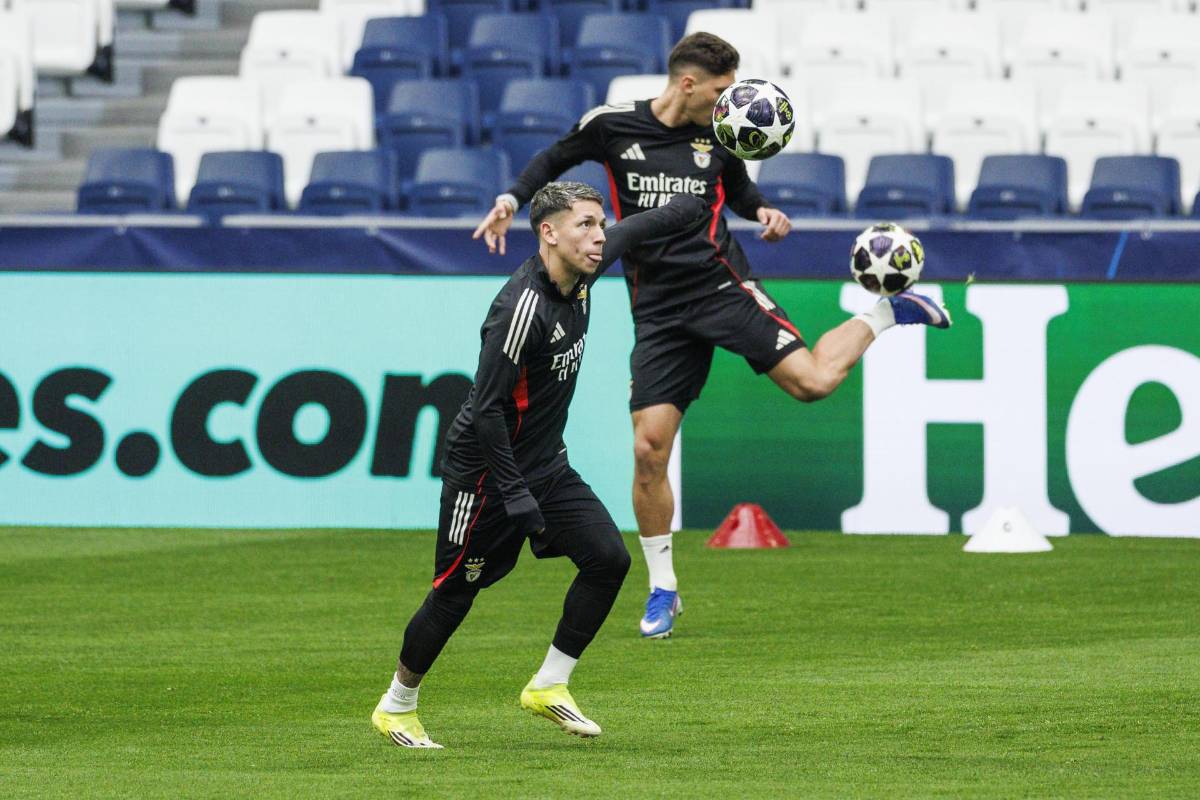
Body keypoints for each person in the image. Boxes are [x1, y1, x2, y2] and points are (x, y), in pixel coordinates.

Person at [472, 32, 952, 640]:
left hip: (720, 285)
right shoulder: (612, 125)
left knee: (812, 384)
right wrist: (510, 199)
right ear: (688, 83)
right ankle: (663, 590)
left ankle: (886, 313)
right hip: (660, 308)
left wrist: (763, 213)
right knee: (649, 450)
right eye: (723, 90)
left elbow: (742, 192)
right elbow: (551, 163)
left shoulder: (725, 134)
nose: (734, 103)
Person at [372, 184, 706, 748]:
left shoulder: (585, 271)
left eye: (600, 224)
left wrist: (696, 205)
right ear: (549, 233)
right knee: (457, 592)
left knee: (608, 558)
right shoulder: (519, 308)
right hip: (483, 475)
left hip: (545, 463)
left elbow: (641, 228)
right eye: (584, 226)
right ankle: (397, 704)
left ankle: (549, 685)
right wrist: (514, 493)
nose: (598, 237)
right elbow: (486, 411)